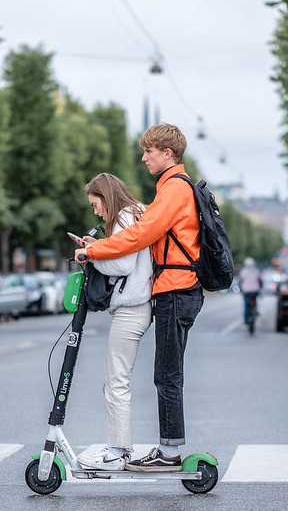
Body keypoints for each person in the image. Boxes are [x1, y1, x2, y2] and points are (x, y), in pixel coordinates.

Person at [75, 123, 202, 472]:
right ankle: (166, 450)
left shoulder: (174, 189)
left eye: (149, 151)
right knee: (164, 373)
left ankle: (168, 453)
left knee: (166, 375)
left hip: (176, 288)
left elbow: (140, 237)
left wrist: (96, 250)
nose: (144, 157)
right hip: (170, 290)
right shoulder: (166, 190)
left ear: (168, 153)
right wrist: (98, 248)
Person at [71, 174, 153, 471]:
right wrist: (98, 246)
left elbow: (122, 264)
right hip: (137, 306)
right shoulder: (135, 213)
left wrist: (90, 254)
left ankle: (117, 452)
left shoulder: (123, 216)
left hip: (132, 307)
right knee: (115, 380)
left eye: (95, 204)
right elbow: (121, 252)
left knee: (115, 381)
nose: (95, 211)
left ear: (106, 197)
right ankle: (119, 448)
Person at [238, 257, 262, 326]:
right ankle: (255, 311)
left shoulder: (243, 272)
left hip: (246, 290)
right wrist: (260, 288)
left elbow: (240, 281)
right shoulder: (256, 271)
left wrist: (240, 288)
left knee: (246, 305)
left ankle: (246, 322)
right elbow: (260, 280)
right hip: (255, 290)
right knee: (254, 301)